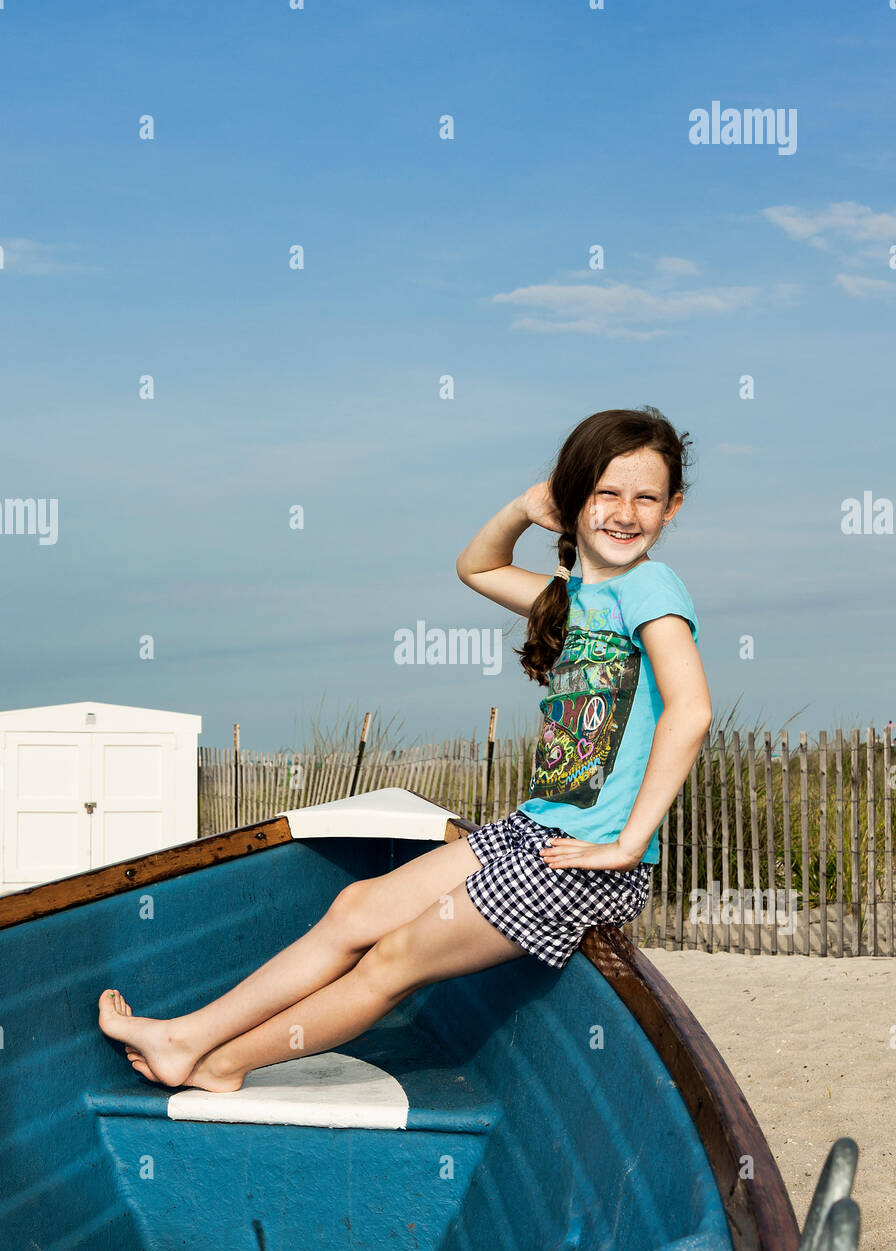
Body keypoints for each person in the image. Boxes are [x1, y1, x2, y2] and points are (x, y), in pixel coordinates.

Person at [98, 405, 712, 1093]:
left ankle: (223, 1065)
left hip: (582, 862)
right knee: (356, 909)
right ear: (573, 499)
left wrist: (628, 846)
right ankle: (188, 1038)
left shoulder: (650, 587)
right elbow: (477, 566)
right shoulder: (570, 599)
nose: (626, 512)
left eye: (646, 498)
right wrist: (521, 507)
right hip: (536, 830)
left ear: (672, 507)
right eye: (605, 492)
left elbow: (690, 711)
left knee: (391, 961)